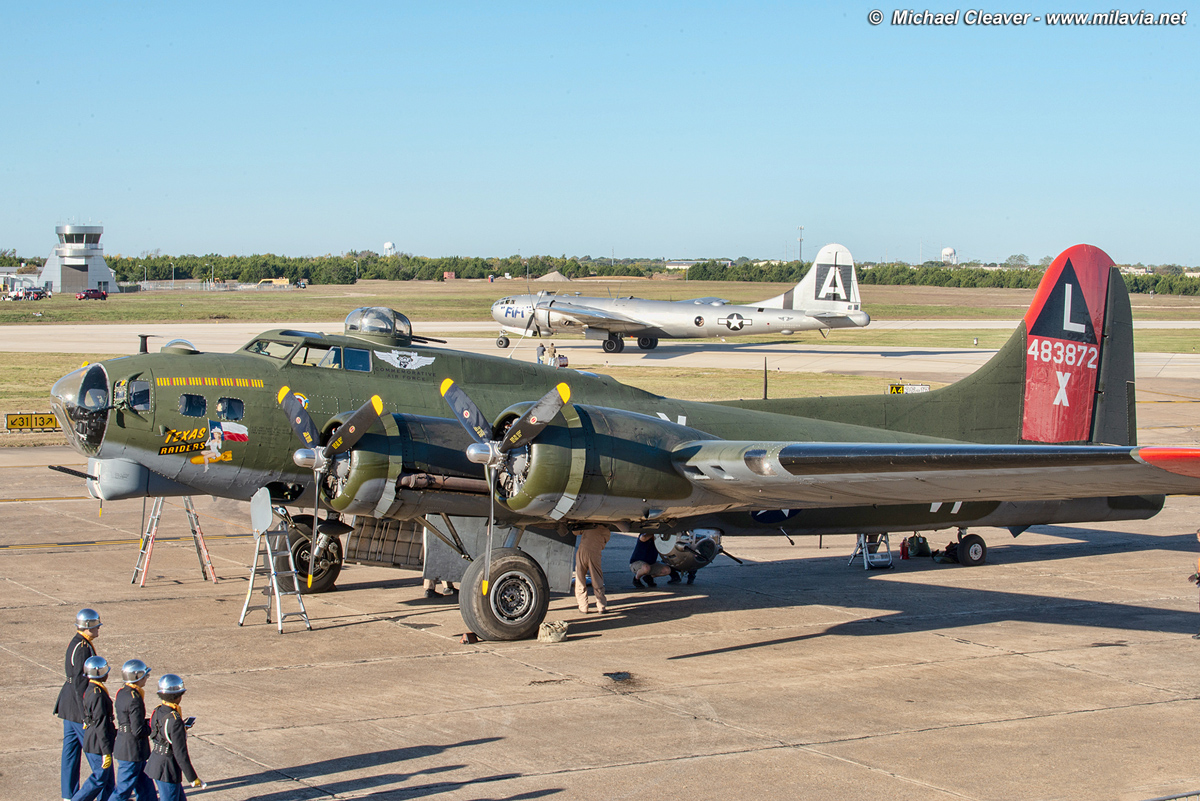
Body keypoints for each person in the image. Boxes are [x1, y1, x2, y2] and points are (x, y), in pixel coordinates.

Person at [56, 607, 102, 801]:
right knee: (95, 753)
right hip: (76, 706)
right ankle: (96, 794)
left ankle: (68, 794)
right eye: (96, 626)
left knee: (71, 751)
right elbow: (79, 682)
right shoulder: (83, 647)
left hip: (68, 705)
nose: (99, 629)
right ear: (88, 627)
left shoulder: (79, 642)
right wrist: (86, 712)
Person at [147, 674, 204, 800]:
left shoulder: (158, 711)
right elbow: (180, 753)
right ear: (178, 697)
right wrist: (192, 777)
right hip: (167, 768)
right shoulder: (174, 719)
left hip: (157, 761)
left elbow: (159, 732)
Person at [109, 658, 156, 801]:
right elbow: (138, 730)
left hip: (133, 750)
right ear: (137, 677)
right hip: (132, 751)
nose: (146, 679)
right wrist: (154, 728)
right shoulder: (134, 698)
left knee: (147, 789)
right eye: (145, 676)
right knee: (123, 791)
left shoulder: (122, 692)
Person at [73, 656, 115, 801]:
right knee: (100, 778)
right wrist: (106, 751)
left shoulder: (92, 689)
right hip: (98, 743)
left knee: (109, 781)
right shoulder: (97, 694)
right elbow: (100, 724)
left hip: (97, 739)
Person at [573, 523, 610, 614]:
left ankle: (583, 607)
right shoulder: (606, 531)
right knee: (597, 579)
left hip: (582, 552)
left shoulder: (589, 526)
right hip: (595, 554)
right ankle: (601, 606)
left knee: (580, 579)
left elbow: (575, 532)